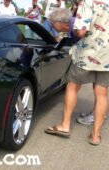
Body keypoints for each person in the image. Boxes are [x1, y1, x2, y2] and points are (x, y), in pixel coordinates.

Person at [45, 1, 109, 145]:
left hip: (87, 53)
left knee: (72, 86)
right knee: (102, 93)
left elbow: (81, 31)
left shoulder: (88, 2)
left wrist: (74, 31)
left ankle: (64, 126)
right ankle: (95, 135)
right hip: (107, 57)